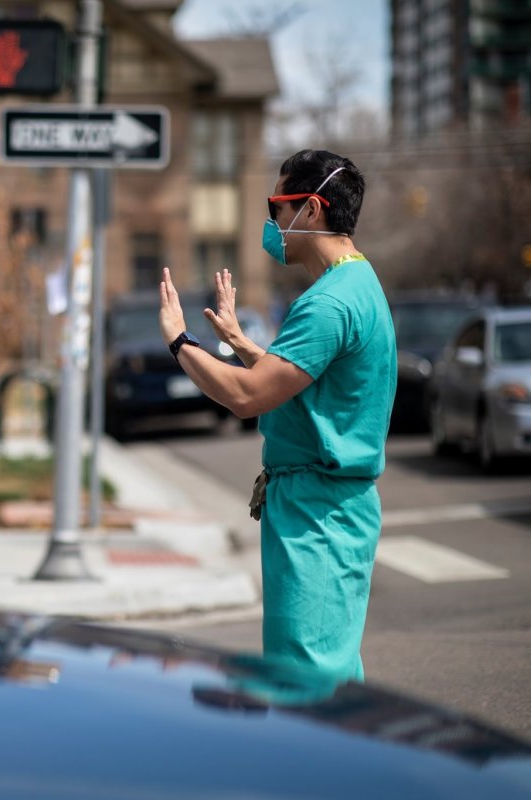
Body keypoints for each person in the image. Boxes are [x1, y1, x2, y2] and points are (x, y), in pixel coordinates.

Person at [158, 149, 396, 681]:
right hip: (328, 508)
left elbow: (247, 396)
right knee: (327, 670)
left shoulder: (329, 303)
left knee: (305, 680)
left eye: (277, 207)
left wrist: (178, 339)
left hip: (318, 514)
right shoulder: (357, 285)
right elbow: (297, 383)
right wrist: (241, 342)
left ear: (311, 210)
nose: (272, 225)